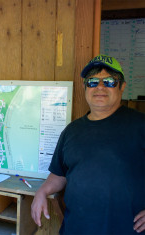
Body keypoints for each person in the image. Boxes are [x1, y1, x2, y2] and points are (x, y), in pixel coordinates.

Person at [31, 54, 145, 234]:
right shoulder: (71, 131)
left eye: (109, 81)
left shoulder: (141, 125)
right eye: (92, 81)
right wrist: (41, 192)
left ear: (122, 87)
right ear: (85, 87)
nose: (100, 86)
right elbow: (58, 175)